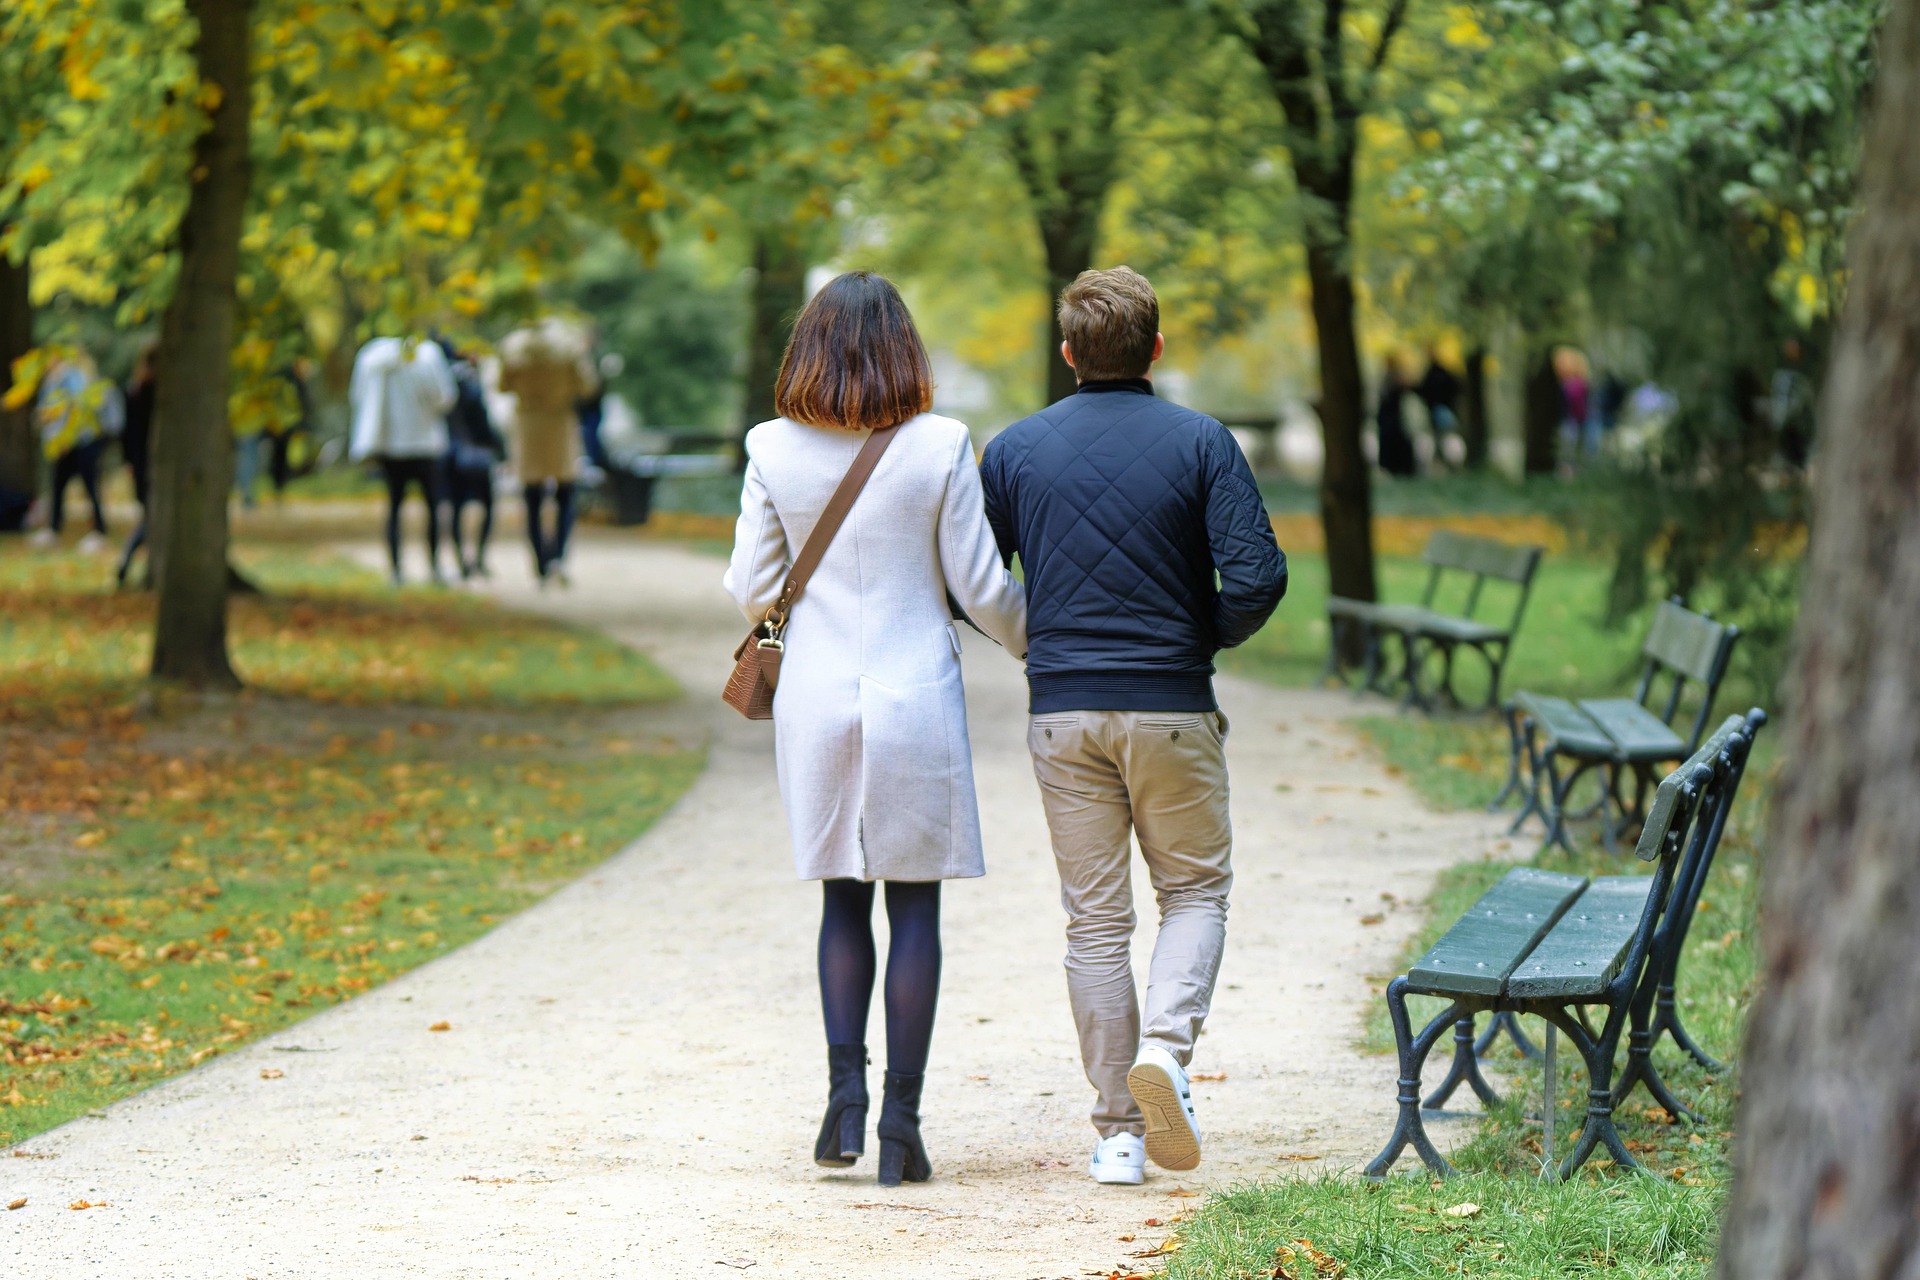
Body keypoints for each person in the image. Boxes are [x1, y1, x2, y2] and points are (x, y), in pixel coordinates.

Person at [980, 267, 1286, 1186]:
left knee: (1095, 922)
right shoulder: (1203, 443)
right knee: (1193, 892)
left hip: (1062, 713)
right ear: (1154, 347)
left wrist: (1036, 642)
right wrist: (1197, 638)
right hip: (1172, 709)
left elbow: (972, 577)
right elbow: (1258, 578)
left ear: (1068, 352)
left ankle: (1119, 1134)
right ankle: (1166, 1048)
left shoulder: (1015, 450)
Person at [724, 272, 1026, 1187]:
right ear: (904, 348)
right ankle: (902, 1124)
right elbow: (981, 588)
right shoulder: (941, 445)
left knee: (842, 900)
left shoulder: (770, 447)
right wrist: (1039, 646)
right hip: (915, 693)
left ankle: (843, 1104)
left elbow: (752, 587)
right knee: (916, 906)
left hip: (817, 697)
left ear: (807, 350)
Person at [349, 335, 457, 585]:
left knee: (395, 507)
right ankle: (435, 567)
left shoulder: (374, 357)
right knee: (432, 507)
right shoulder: (428, 355)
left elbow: (359, 396)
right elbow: (444, 397)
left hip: (391, 444)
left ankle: (396, 569)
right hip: (425, 444)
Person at [498, 318, 596, 585]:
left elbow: (502, 385)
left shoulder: (514, 345)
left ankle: (540, 561)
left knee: (532, 497)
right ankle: (558, 557)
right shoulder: (569, 344)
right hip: (559, 423)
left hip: (528, 425)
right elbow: (587, 385)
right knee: (566, 493)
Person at [32, 350, 118, 551]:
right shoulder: (52, 381)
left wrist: (65, 438)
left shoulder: (71, 377)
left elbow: (75, 408)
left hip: (80, 441)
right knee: (58, 486)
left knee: (89, 486)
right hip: (65, 442)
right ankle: (54, 528)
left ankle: (98, 530)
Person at [437, 339, 505, 579]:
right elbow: (481, 419)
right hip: (475, 454)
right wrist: (498, 447)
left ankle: (461, 560)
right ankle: (478, 557)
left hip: (450, 453)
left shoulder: (441, 377)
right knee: (487, 506)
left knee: (456, 509)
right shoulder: (468, 379)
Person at [116, 340, 159, 587]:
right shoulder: (149, 392)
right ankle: (127, 556)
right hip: (149, 462)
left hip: (140, 462)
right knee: (153, 517)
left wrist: (129, 461)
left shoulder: (135, 389)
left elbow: (127, 433)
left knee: (151, 516)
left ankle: (128, 558)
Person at [1374, 353, 1417, 477]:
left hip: (1392, 416)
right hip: (1389, 415)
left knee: (1395, 439)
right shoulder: (1388, 377)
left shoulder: (1394, 377)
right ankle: (1395, 466)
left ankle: (1399, 467)